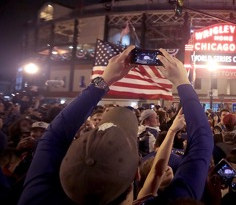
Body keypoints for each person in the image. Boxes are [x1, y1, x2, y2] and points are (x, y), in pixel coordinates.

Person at [18, 46, 213, 205]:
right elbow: (54, 137)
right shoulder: (36, 194)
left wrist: (103, 81)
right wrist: (182, 81)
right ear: (136, 175)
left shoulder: (36, 198)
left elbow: (53, 136)